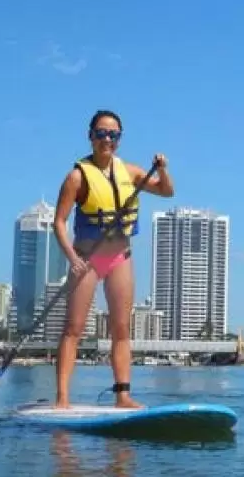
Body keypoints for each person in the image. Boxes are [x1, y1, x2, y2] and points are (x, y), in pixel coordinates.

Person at [51, 109, 175, 409]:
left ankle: (123, 395)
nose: (107, 139)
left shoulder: (130, 172)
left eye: (113, 134)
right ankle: (63, 397)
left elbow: (166, 192)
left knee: (121, 329)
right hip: (87, 259)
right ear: (90, 136)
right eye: (101, 133)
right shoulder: (77, 177)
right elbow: (59, 221)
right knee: (74, 328)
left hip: (120, 257)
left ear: (119, 139)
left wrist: (162, 169)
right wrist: (72, 258)